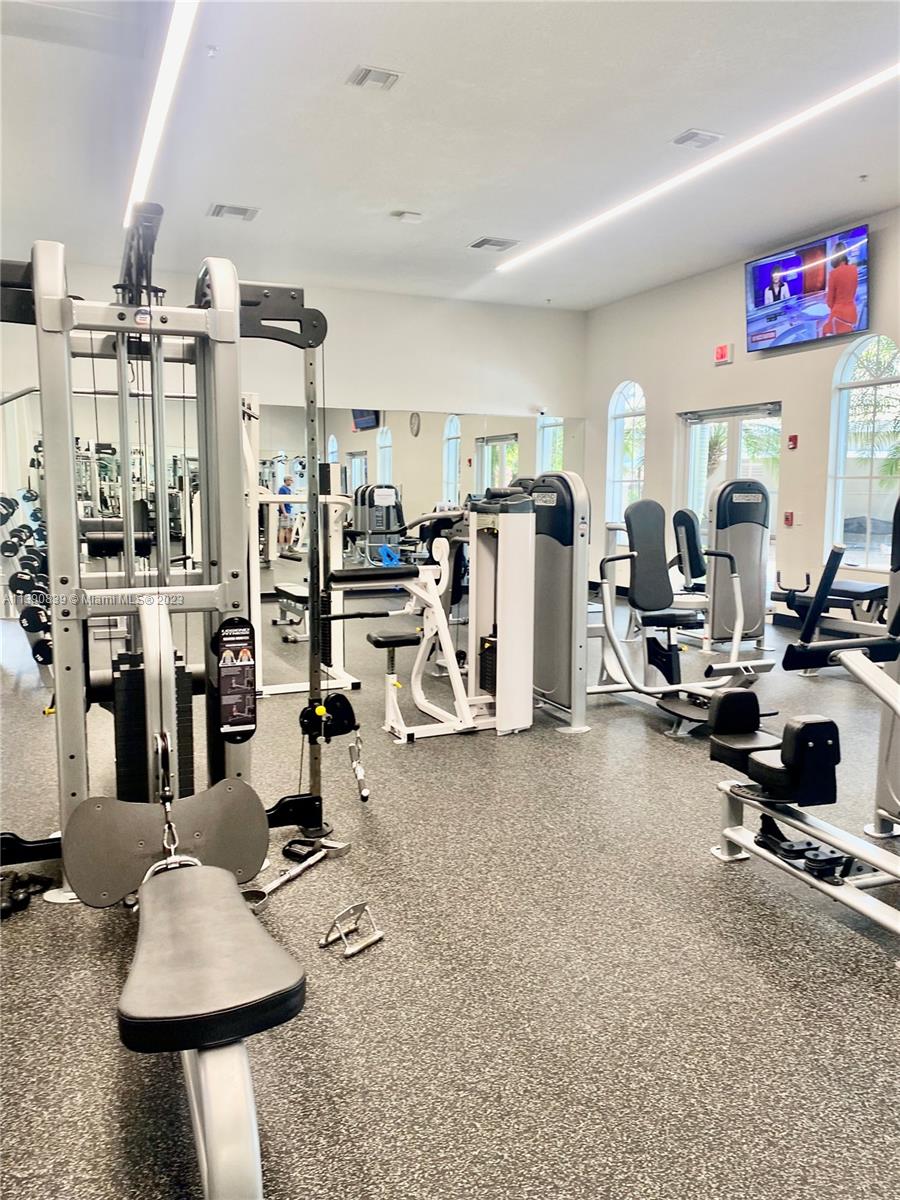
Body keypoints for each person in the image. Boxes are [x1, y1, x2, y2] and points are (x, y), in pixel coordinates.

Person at [822, 242, 859, 336]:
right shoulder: (854, 269)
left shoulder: (833, 274)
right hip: (852, 313)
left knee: (824, 331)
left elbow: (830, 302)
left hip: (839, 316)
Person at [278, 474, 295, 547]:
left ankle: (289, 546)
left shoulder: (288, 489)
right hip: (284, 512)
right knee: (283, 529)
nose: (292, 482)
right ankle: (282, 547)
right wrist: (284, 512)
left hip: (289, 511)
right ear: (287, 480)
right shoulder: (282, 489)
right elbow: (281, 501)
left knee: (290, 529)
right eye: (291, 480)